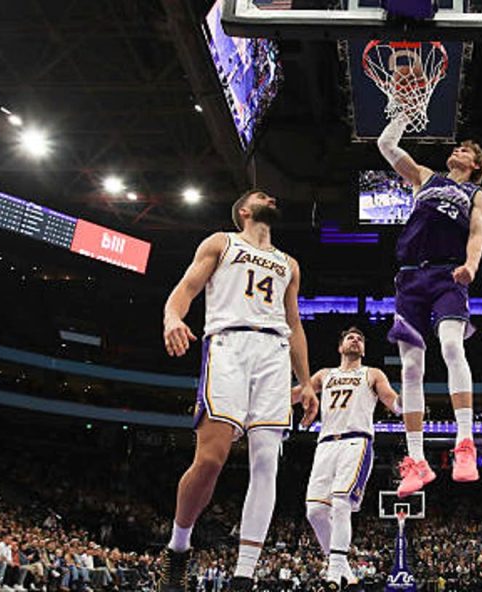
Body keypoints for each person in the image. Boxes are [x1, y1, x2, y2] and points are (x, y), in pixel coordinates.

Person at [157, 189, 319, 592]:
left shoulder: (289, 264)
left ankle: (243, 576)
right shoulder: (221, 242)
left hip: (274, 353)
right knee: (212, 458)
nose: (272, 197)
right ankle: (178, 548)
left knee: (267, 462)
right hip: (229, 345)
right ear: (244, 211)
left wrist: (306, 381)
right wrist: (172, 318)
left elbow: (295, 324)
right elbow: (186, 287)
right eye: (262, 195)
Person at [376, 115, 482, 496]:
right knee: (410, 366)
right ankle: (416, 462)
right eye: (456, 147)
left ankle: (465, 444)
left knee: (451, 345)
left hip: (448, 275)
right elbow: (387, 147)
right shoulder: (426, 177)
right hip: (410, 277)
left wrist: (471, 267)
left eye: (465, 150)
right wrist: (401, 112)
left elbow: (478, 234)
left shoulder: (476, 196)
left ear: (475, 164)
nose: (456, 150)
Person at [296, 327, 401, 590]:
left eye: (360, 339)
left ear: (363, 350)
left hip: (356, 440)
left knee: (341, 502)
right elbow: (298, 392)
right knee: (316, 511)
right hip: (325, 444)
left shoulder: (372, 373)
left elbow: (393, 402)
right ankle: (347, 574)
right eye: (350, 337)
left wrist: (410, 404)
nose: (355, 340)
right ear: (340, 346)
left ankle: (333, 575)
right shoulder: (325, 374)